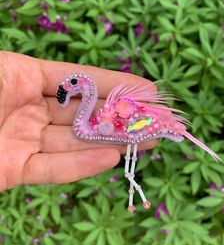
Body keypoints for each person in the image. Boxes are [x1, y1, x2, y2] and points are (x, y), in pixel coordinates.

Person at [0, 51, 157, 192]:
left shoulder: (106, 123)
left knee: (129, 147)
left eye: (73, 85)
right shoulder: (99, 123)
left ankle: (134, 186)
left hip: (136, 126)